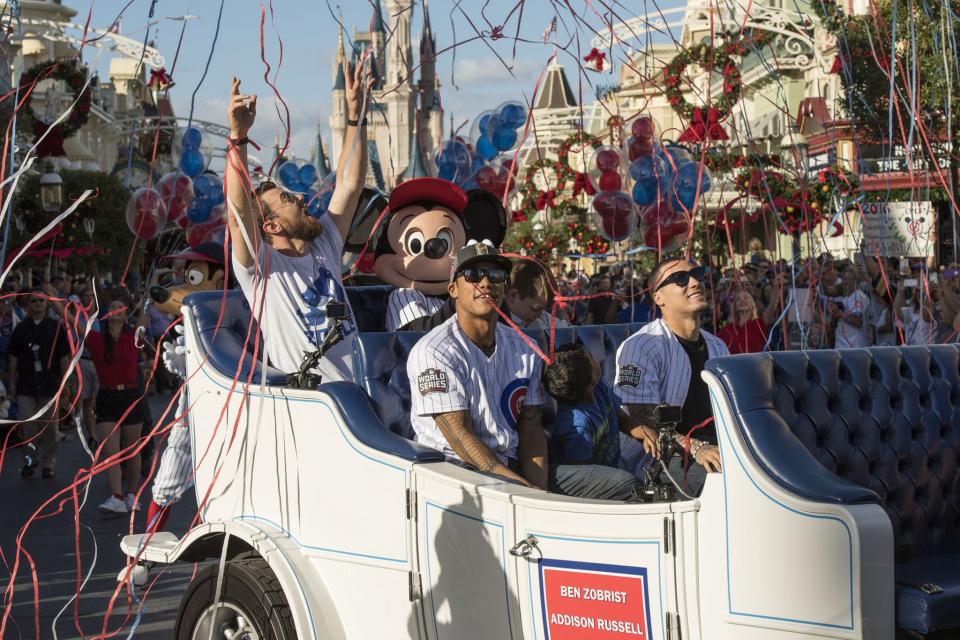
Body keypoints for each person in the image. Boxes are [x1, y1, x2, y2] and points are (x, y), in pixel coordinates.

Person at [225, 56, 370, 380]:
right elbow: (237, 217)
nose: (303, 199)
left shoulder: (324, 247)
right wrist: (238, 138)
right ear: (271, 225)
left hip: (364, 393)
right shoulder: (261, 269)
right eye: (289, 199)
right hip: (314, 404)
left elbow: (350, 184)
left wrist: (356, 117)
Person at [407, 242, 548, 488]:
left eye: (495, 275)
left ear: (504, 287)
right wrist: (524, 491)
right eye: (472, 275)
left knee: (620, 484)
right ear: (453, 289)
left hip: (509, 464)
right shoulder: (433, 351)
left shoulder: (524, 347)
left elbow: (532, 424)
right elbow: (459, 436)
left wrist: (540, 489)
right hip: (455, 473)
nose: (485, 283)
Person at [614, 259, 729, 497]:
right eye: (680, 279)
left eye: (698, 274)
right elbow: (637, 413)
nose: (695, 282)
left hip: (716, 449)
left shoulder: (718, 346)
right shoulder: (640, 346)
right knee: (727, 483)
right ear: (659, 298)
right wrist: (696, 447)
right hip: (659, 460)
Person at [543, 343, 658, 500]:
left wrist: (645, 433)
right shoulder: (577, 427)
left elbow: (621, 418)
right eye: (591, 358)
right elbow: (583, 479)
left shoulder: (599, 387)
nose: (597, 360)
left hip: (612, 470)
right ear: (591, 380)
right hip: (596, 487)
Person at [87, 295, 149, 514]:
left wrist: (148, 300)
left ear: (125, 314)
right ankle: (116, 496)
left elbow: (145, 318)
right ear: (106, 314)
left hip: (131, 395)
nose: (115, 310)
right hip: (107, 397)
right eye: (111, 306)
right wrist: (54, 300)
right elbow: (73, 323)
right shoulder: (95, 339)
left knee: (132, 450)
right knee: (111, 451)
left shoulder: (133, 336)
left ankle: (132, 495)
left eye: (119, 307)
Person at [7, 288, 71, 478]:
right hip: (26, 384)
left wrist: (66, 381)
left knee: (50, 428)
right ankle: (29, 460)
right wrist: (11, 381)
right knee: (28, 427)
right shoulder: (21, 328)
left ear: (47, 303)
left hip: (50, 383)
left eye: (41, 301)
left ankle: (48, 463)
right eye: (33, 301)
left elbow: (63, 357)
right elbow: (13, 357)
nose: (37, 304)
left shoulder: (55, 327)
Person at [717, 276, 782, 354]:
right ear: (735, 307)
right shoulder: (727, 330)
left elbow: (771, 309)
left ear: (752, 305)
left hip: (755, 365)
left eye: (746, 297)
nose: (742, 300)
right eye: (738, 299)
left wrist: (776, 289)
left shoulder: (758, 325)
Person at [503, 260, 570, 330]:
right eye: (535, 309)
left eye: (543, 309)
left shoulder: (541, 317)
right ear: (513, 296)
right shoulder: (498, 323)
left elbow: (566, 329)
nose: (539, 315)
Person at [828, 268, 872, 348]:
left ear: (856, 281)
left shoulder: (859, 296)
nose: (846, 282)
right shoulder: (845, 299)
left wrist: (839, 313)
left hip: (855, 347)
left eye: (850, 279)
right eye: (844, 279)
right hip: (842, 346)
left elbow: (858, 322)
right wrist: (834, 315)